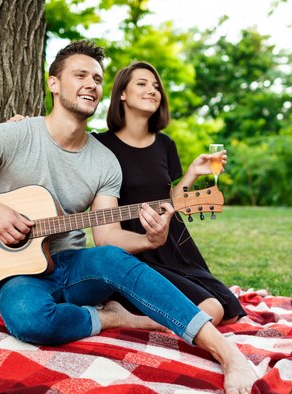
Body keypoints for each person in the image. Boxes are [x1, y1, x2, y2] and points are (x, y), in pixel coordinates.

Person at [0, 40, 258, 394]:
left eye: (97, 78)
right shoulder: (15, 135)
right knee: (30, 319)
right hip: (15, 272)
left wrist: (149, 241)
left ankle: (226, 352)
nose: (91, 84)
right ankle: (111, 318)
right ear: (53, 83)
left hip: (73, 265)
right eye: (80, 75)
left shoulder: (105, 160)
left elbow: (107, 236)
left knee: (115, 260)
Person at [95, 61, 246, 326]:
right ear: (122, 94)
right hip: (133, 248)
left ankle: (146, 313)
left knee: (229, 309)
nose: (152, 90)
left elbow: (169, 202)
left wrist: (192, 174)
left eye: (156, 87)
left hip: (173, 244)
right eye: (141, 84)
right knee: (213, 310)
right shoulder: (100, 145)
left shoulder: (165, 144)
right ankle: (124, 319)